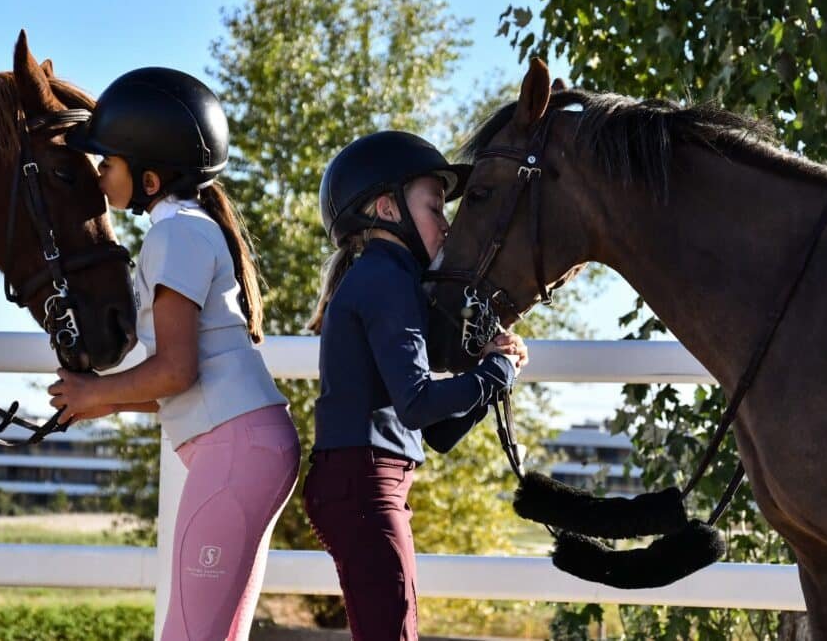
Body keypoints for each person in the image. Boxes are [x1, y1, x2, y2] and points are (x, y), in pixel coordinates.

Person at [46, 67, 300, 641]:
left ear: (150, 177)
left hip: (236, 454)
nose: (99, 174)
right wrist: (108, 405)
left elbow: (176, 370)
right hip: (248, 444)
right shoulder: (189, 227)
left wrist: (96, 391)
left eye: (107, 163)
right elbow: (189, 384)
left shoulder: (174, 235)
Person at [304, 131, 528, 639]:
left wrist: (493, 376)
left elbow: (436, 432)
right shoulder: (386, 280)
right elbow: (419, 404)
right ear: (387, 208)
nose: (446, 226)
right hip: (366, 483)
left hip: (367, 479)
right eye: (434, 207)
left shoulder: (385, 278)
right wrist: (497, 373)